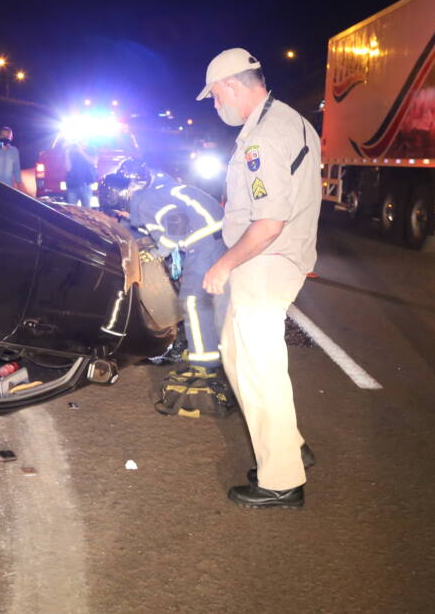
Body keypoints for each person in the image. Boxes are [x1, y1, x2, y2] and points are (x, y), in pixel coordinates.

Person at [198, 48, 321, 509]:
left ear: (231, 86)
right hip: (278, 258)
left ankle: (281, 480)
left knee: (258, 368)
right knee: (237, 352)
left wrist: (224, 263)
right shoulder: (293, 120)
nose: (216, 106)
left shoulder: (261, 139)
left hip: (264, 262)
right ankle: (290, 446)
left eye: (214, 97)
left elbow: (268, 222)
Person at [126, 169, 234, 417]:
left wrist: (159, 252)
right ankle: (218, 348)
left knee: (194, 302)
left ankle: (204, 365)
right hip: (220, 237)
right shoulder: (165, 189)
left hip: (204, 243)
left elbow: (175, 223)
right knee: (214, 299)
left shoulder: (145, 200)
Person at [64, 141, 97, 207]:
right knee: (71, 211)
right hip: (72, 186)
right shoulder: (72, 151)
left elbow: (93, 162)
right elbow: (68, 168)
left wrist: (81, 151)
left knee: (87, 212)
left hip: (86, 186)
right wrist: (67, 153)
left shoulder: (91, 149)